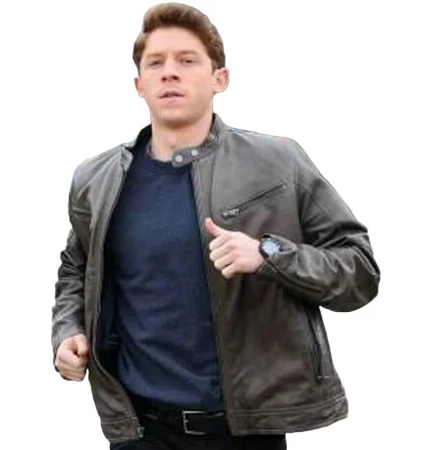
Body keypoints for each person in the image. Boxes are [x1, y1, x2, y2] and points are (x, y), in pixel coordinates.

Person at [51, 3, 381, 449]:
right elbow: (77, 268)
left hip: (244, 432)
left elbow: (360, 272)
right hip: (138, 431)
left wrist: (268, 254)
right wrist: (68, 331)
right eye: (156, 63)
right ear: (139, 85)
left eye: (187, 60)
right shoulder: (97, 178)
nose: (170, 72)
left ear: (219, 79)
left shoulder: (278, 163)